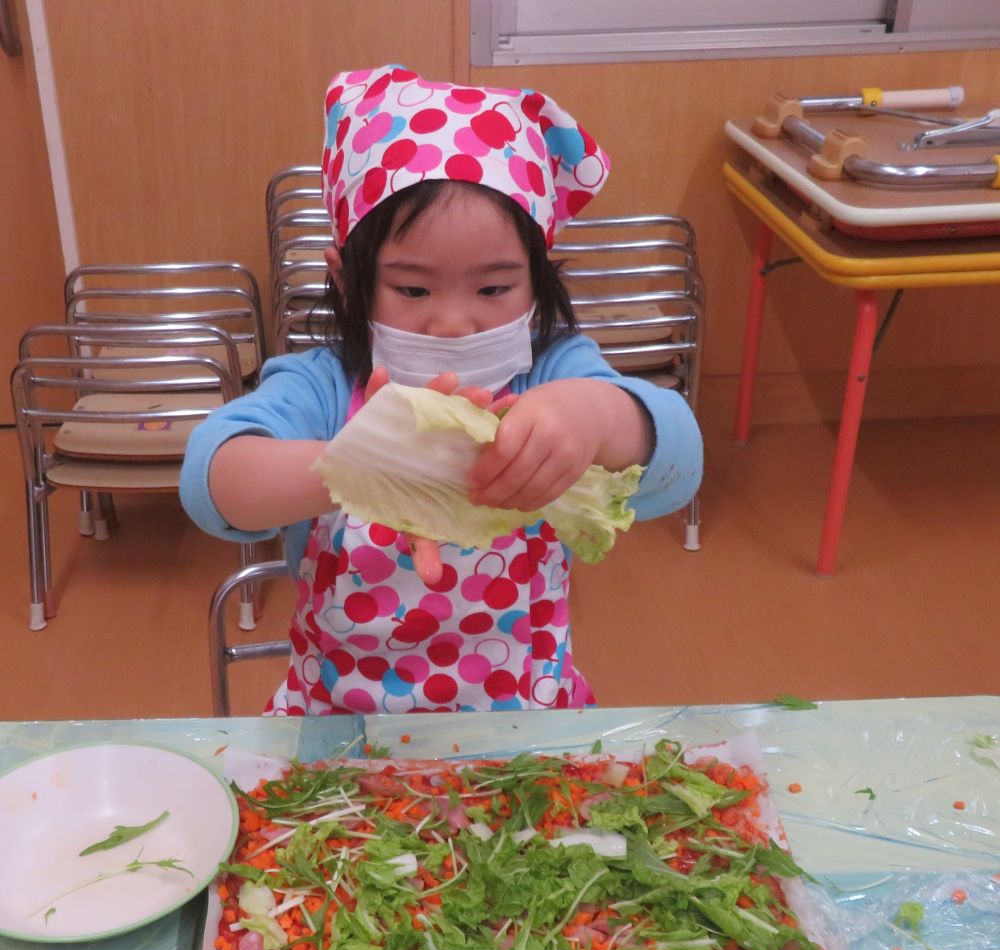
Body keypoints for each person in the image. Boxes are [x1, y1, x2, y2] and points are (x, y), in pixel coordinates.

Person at [180, 64, 703, 716]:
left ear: (538, 282)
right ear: (349, 280)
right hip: (343, 740)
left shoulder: (552, 373)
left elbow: (679, 463)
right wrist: (359, 466)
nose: (454, 321)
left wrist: (595, 416)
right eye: (413, 289)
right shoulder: (323, 385)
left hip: (522, 738)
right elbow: (211, 478)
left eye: (493, 289)